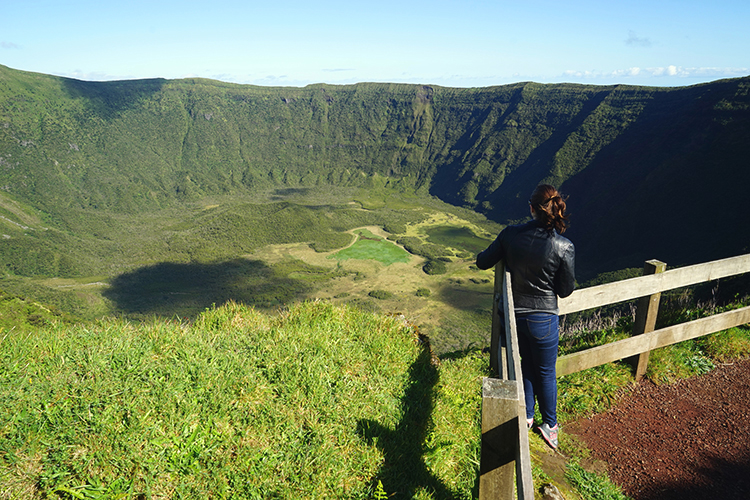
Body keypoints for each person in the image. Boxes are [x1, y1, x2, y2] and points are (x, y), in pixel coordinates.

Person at [476, 184, 575, 449]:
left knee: (524, 364)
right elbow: (565, 291)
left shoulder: (510, 235)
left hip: (513, 316)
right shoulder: (564, 246)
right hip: (543, 318)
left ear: (531, 208)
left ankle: (527, 415)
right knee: (545, 371)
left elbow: (483, 261)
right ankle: (550, 425)